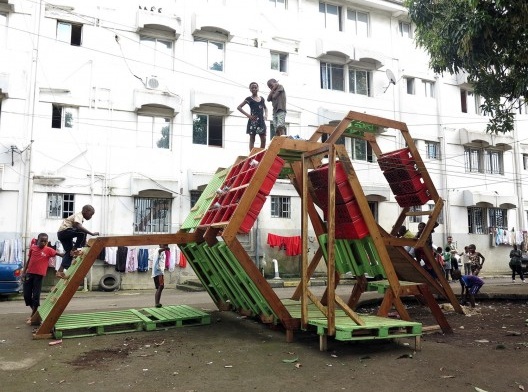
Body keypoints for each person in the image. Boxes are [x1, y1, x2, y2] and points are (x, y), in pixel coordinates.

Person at [22, 233, 64, 325]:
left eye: (45, 241)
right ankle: (35, 312)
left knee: (36, 297)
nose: (43, 243)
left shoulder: (49, 250)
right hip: (29, 274)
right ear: (38, 240)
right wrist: (24, 272)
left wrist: (67, 255)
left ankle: (33, 316)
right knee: (26, 296)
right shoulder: (33, 248)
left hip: (39, 276)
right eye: (42, 241)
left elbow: (59, 254)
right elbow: (29, 260)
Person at [56, 205, 99, 279]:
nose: (91, 217)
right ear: (85, 211)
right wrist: (91, 233)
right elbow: (78, 227)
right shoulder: (79, 215)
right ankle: (75, 249)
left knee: (69, 252)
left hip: (62, 234)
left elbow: (77, 229)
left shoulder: (80, 218)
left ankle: (60, 271)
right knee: (82, 232)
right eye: (91, 214)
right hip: (64, 232)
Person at [237, 82, 268, 151]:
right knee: (252, 138)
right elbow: (239, 107)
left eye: (255, 87)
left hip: (261, 121)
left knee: (263, 138)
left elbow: (265, 108)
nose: (254, 89)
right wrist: (249, 116)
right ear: (250, 89)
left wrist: (266, 115)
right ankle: (251, 155)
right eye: (252, 88)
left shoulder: (262, 99)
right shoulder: (249, 99)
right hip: (253, 121)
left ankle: (261, 153)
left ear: (258, 88)